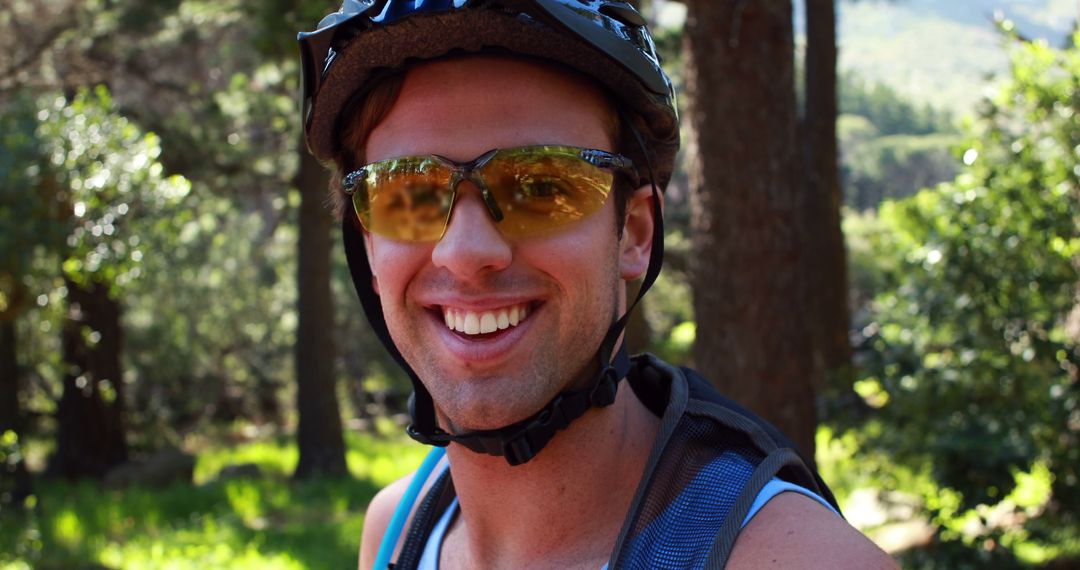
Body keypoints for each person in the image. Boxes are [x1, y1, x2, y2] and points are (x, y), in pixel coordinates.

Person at [297, 1, 897, 568]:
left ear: (634, 231)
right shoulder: (399, 529)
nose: (465, 253)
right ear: (370, 246)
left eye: (541, 187)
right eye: (407, 195)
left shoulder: (798, 558)